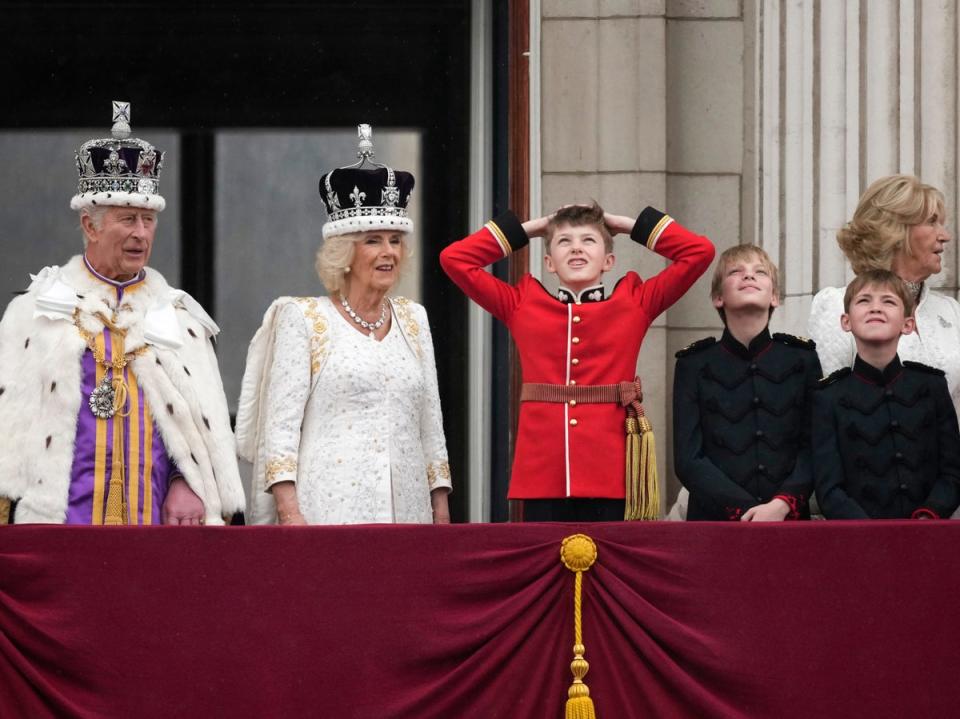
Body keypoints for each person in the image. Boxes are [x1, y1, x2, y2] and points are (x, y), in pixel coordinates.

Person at [0, 101, 246, 525]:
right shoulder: (35, 311)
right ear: (90, 225)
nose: (140, 233)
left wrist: (185, 482)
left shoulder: (180, 317)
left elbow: (194, 426)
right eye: (127, 219)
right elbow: (11, 430)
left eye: (148, 220)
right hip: (59, 522)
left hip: (153, 519)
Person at [440, 202, 714, 521]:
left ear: (609, 260)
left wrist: (626, 224)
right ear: (549, 262)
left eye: (589, 240)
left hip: (610, 475)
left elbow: (700, 252)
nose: (576, 249)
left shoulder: (634, 304)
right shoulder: (522, 305)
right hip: (543, 476)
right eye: (564, 241)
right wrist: (534, 227)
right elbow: (454, 259)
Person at [236, 124, 451, 525]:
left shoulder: (414, 318)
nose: (389, 252)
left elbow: (431, 425)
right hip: (326, 514)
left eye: (395, 241)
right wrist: (289, 513)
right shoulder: (303, 319)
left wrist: (440, 508)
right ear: (344, 252)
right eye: (373, 240)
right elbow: (280, 432)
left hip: (408, 514)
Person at [672, 245, 822, 521]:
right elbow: (688, 459)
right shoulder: (693, 364)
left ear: (775, 297)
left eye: (760, 272)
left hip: (787, 519)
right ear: (718, 297)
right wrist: (744, 509)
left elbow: (814, 446)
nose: (749, 277)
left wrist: (781, 504)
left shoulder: (802, 360)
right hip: (714, 523)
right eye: (736, 272)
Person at [812, 270, 960, 519]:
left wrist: (929, 514)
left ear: (908, 324)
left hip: (927, 535)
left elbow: (953, 471)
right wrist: (870, 532)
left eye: (888, 301)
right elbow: (829, 488)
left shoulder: (932, 387)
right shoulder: (829, 397)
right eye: (864, 300)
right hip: (859, 541)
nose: (875, 308)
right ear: (845, 322)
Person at [809, 174, 960, 414]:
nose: (945, 235)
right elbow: (827, 407)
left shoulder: (951, 311)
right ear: (896, 231)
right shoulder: (837, 304)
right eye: (932, 222)